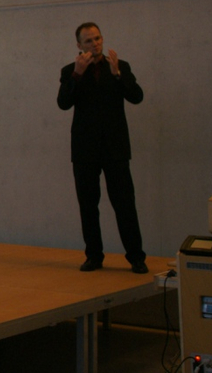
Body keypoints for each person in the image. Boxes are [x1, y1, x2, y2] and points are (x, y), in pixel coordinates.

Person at [57, 22, 148, 274]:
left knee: (125, 204)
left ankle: (136, 257)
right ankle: (94, 256)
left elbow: (137, 96)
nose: (95, 44)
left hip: (115, 148)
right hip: (84, 149)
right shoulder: (70, 70)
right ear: (79, 45)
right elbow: (63, 103)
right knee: (88, 205)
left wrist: (118, 74)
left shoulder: (119, 66)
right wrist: (77, 75)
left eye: (97, 38)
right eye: (88, 40)